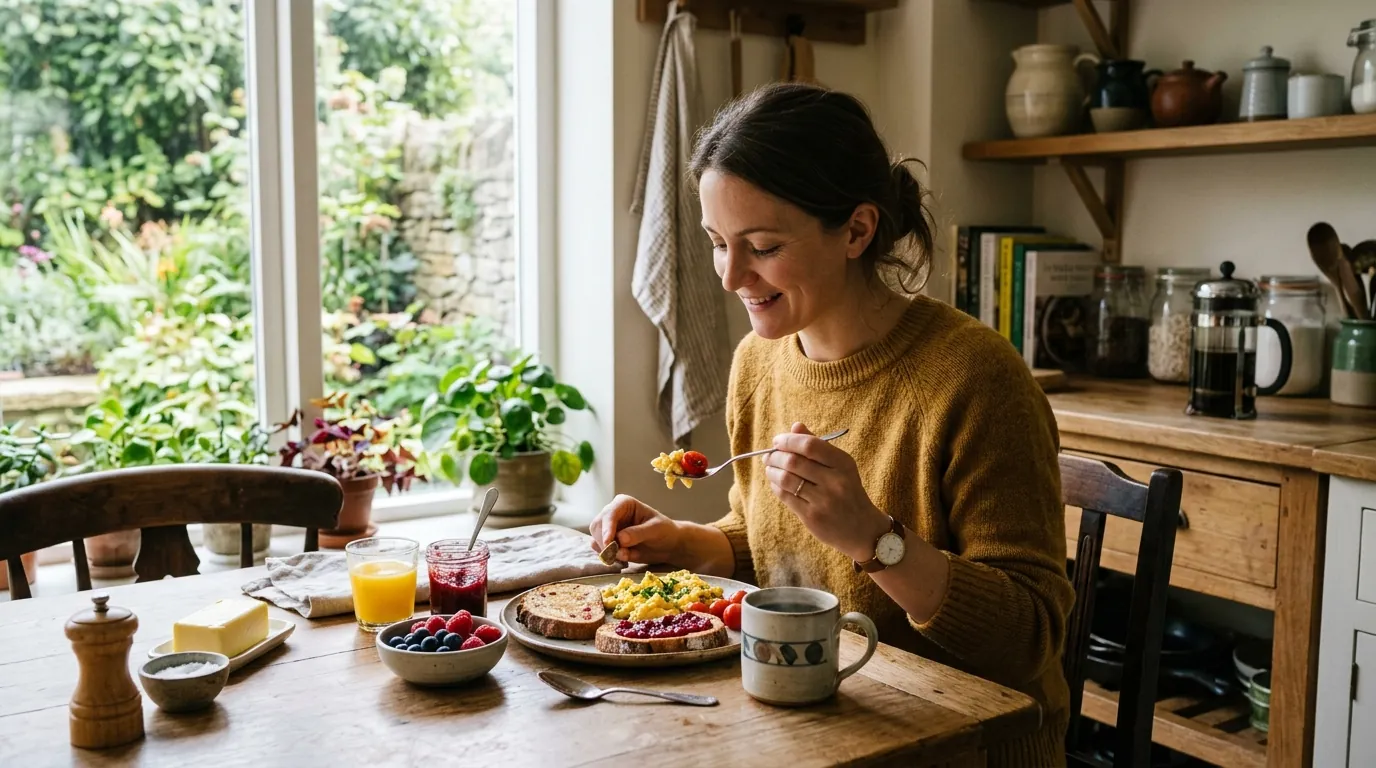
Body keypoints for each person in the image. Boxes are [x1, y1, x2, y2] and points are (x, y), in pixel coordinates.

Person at [590, 82, 1074, 766]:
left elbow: (1031, 635)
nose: (731, 277)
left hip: (963, 747)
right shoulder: (757, 361)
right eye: (716, 244)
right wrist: (684, 542)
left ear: (856, 230)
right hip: (818, 723)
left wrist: (875, 539)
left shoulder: (978, 379)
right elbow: (775, 544)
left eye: (760, 246)